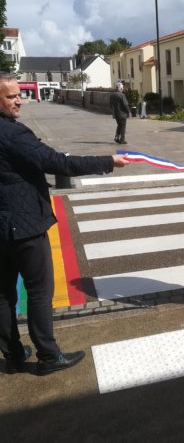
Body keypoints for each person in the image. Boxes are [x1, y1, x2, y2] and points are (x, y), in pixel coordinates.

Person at [0, 73, 130, 375]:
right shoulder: (13, 134)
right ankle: (48, 355)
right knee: (39, 291)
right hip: (24, 225)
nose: (19, 100)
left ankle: (14, 353)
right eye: (11, 96)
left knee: (4, 293)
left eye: (19, 94)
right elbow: (59, 163)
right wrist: (108, 161)